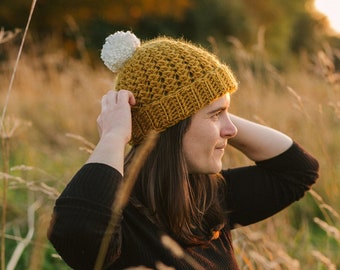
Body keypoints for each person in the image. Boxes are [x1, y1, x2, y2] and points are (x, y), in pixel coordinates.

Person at [47, 31, 319, 270]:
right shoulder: (121, 219)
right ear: (171, 127)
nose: (231, 130)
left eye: (228, 113)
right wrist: (115, 134)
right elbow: (76, 232)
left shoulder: (206, 199)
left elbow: (298, 171)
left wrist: (210, 104)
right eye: (216, 116)